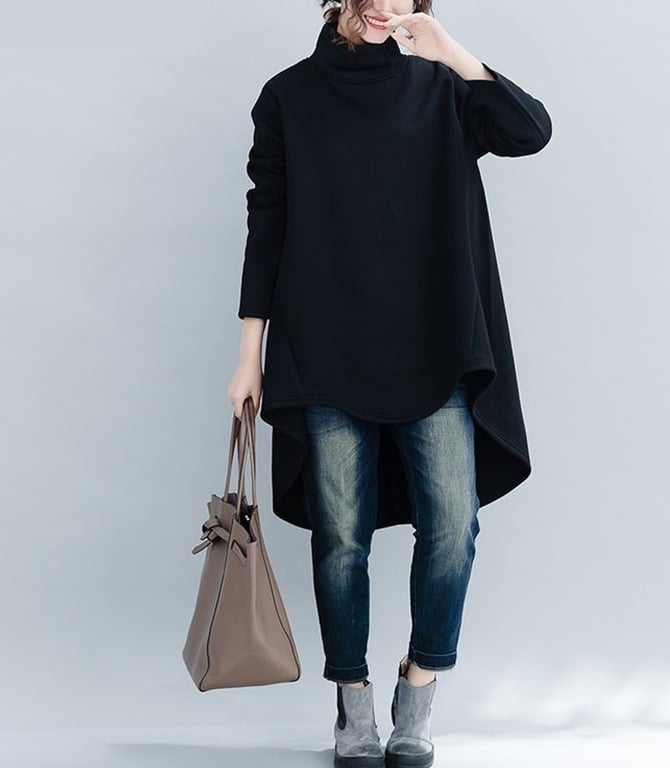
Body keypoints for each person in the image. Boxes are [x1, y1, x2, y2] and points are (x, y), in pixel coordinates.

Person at [227, 1, 552, 765]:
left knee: (452, 525)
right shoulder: (288, 96)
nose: (385, 4)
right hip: (326, 344)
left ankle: (419, 687)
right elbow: (266, 225)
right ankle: (353, 704)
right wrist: (249, 354)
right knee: (341, 537)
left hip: (434, 342)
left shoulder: (441, 87)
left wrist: (453, 51)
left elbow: (529, 132)